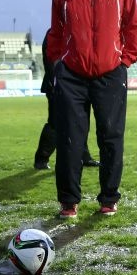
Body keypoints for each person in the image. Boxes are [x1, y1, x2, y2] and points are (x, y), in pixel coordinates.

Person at [47, 0, 137, 218]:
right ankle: (68, 202)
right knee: (70, 140)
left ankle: (109, 198)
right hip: (72, 76)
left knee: (111, 138)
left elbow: (133, 25)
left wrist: (124, 60)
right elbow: (56, 29)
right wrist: (57, 64)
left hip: (110, 74)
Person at [34, 27, 99, 170]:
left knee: (82, 121)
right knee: (55, 123)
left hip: (79, 84)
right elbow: (50, 59)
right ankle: (41, 158)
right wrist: (56, 81)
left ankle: (83, 156)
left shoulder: (76, 31)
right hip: (57, 85)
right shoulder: (54, 33)